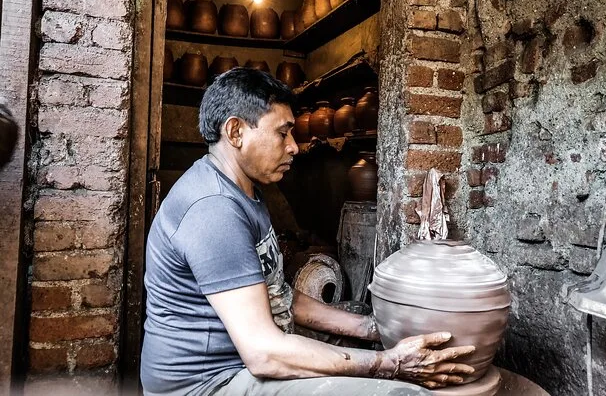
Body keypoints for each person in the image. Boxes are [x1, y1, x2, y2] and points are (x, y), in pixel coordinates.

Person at [140, 68, 476, 396]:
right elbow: (264, 353)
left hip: (242, 363)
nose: (294, 147)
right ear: (235, 132)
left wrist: (374, 329)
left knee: (363, 323)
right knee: (406, 393)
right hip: (209, 383)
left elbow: (278, 295)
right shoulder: (213, 209)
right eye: (282, 133)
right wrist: (392, 363)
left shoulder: (244, 191)